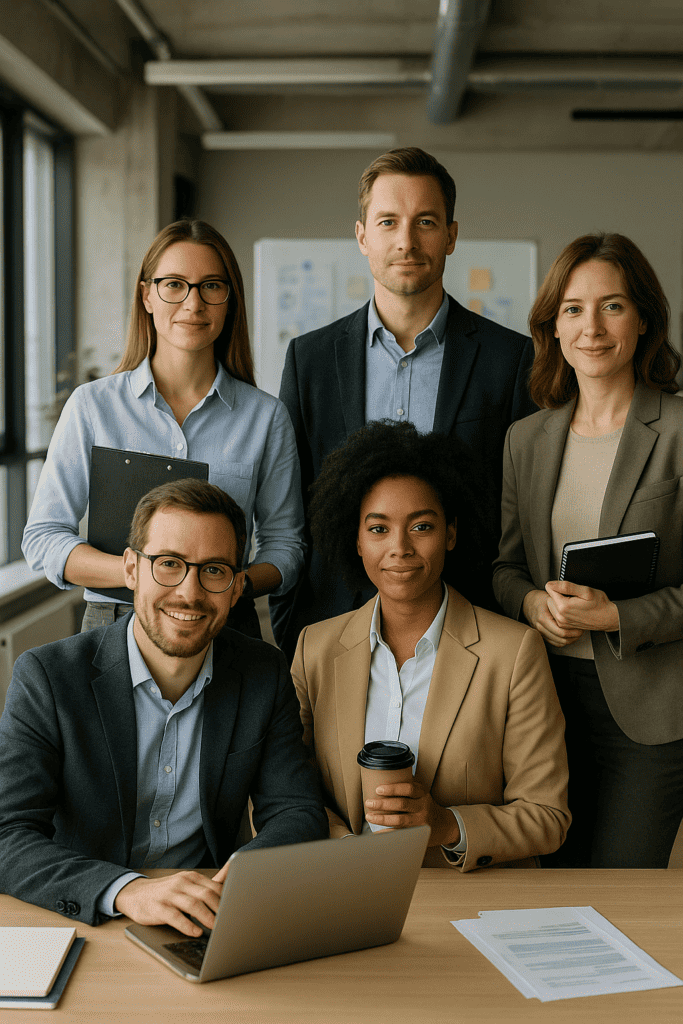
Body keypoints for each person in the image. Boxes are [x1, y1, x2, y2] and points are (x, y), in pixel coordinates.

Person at [0, 479, 327, 930]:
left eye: (213, 570)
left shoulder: (263, 674)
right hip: (87, 915)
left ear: (236, 587)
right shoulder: (48, 678)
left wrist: (237, 882)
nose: (189, 593)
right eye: (169, 564)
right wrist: (127, 890)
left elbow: (296, 811)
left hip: (204, 914)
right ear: (131, 569)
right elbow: (6, 835)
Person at [272, 147, 537, 658]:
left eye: (426, 222)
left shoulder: (510, 359)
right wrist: (293, 627)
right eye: (389, 221)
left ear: (452, 236)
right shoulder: (310, 360)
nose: (406, 241)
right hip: (334, 631)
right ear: (362, 235)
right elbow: (291, 512)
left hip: (468, 634)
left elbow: (517, 515)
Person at [291, 421, 570, 870]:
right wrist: (346, 848)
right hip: (345, 887)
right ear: (357, 541)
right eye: (378, 529)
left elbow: (547, 817)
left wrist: (445, 825)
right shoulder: (315, 649)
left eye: (421, 526)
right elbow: (282, 794)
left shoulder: (514, 652)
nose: (399, 548)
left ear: (452, 534)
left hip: (469, 894)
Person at [493, 232, 683, 868]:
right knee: (557, 892)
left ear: (644, 318)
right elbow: (506, 567)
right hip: (547, 705)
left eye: (613, 306)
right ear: (552, 324)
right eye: (573, 309)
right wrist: (528, 605)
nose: (591, 328)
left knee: (622, 892)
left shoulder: (678, 430)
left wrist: (617, 616)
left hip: (650, 711)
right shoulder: (527, 439)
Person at [22, 218, 304, 637]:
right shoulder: (93, 406)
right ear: (147, 295)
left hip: (224, 626)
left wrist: (229, 584)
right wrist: (140, 573)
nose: (193, 304)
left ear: (230, 300)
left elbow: (288, 547)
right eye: (174, 284)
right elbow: (44, 538)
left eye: (211, 286)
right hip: (112, 625)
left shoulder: (265, 417)